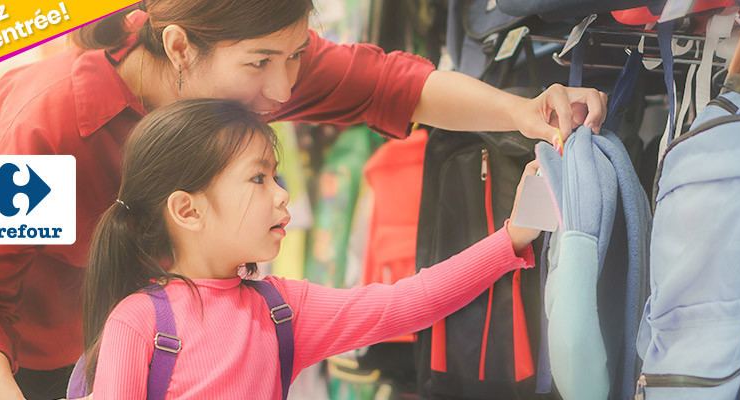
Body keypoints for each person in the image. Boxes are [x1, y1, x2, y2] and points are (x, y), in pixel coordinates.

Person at [0, 0, 606, 398]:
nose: (281, 91)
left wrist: (522, 112)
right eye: (262, 65)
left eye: (293, 59)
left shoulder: (255, 63)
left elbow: (393, 84)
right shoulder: (51, 115)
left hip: (83, 346)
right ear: (179, 48)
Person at [85, 98, 540, 398]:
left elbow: (407, 302)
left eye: (276, 177)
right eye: (259, 178)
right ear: (187, 211)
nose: (283, 196)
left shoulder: (282, 310)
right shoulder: (138, 322)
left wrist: (512, 238)